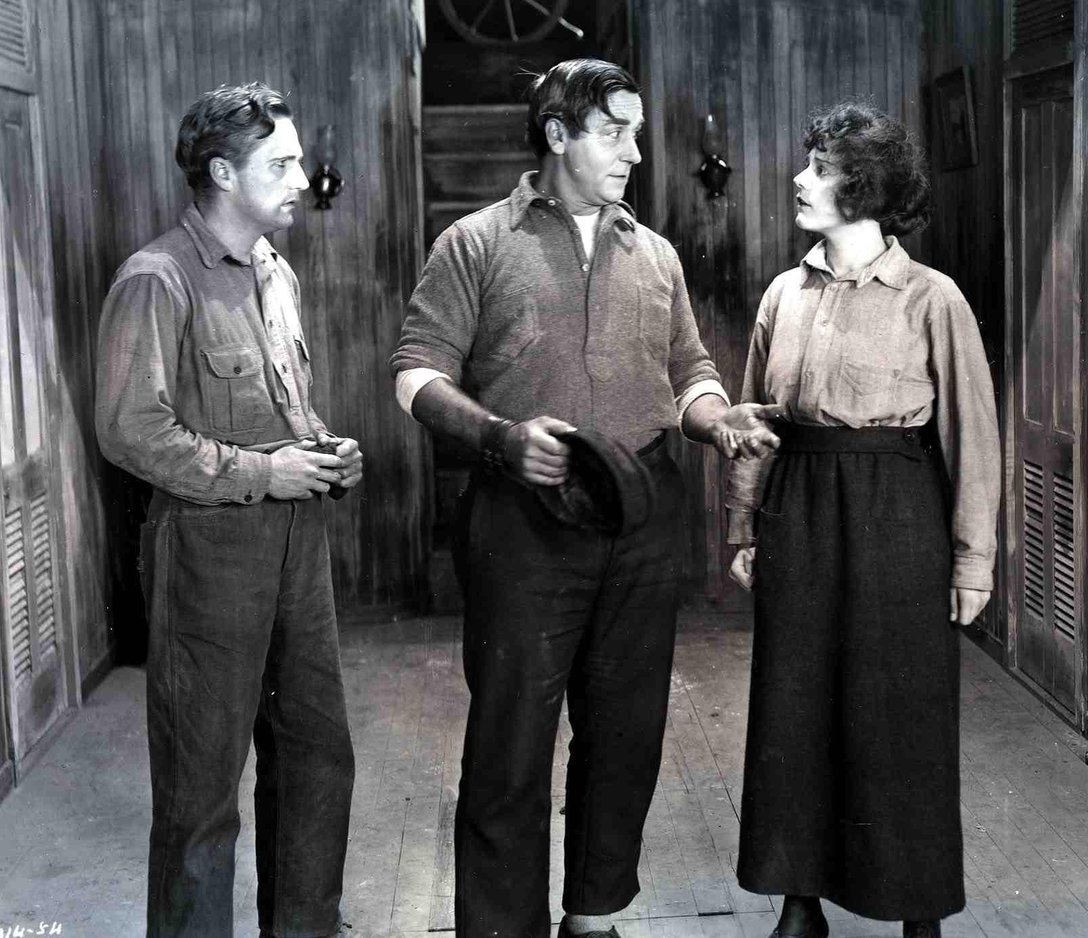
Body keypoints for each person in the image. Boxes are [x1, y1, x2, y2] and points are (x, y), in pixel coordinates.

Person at [390, 58, 779, 938]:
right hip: (520, 522)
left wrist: (717, 420)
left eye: (636, 133)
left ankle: (594, 916)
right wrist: (501, 437)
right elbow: (414, 373)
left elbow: (691, 372)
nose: (634, 152)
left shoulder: (657, 253)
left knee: (626, 734)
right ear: (558, 134)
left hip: (642, 517)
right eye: (614, 132)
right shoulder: (474, 243)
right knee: (510, 744)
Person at [95, 82, 363, 938]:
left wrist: (324, 451)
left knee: (317, 759)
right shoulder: (156, 280)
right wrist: (264, 472)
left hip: (297, 550)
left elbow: (282, 408)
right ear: (221, 173)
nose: (301, 180)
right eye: (279, 165)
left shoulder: (275, 273)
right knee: (202, 790)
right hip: (207, 557)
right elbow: (130, 430)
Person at [726, 102, 1000, 938]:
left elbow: (973, 435)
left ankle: (918, 911)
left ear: (866, 187)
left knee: (901, 712)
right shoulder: (784, 293)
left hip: (898, 514)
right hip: (798, 511)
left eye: (820, 168)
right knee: (793, 707)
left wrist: (973, 560)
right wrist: (743, 526)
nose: (800, 180)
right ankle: (799, 902)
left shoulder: (933, 298)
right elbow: (754, 420)